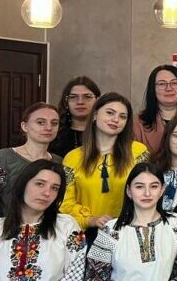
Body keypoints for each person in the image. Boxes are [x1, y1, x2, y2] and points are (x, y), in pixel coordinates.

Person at [60, 92, 149, 242]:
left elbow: (148, 193)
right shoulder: (73, 158)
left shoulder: (138, 152)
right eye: (110, 113)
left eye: (122, 116)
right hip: (86, 235)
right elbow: (65, 203)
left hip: (129, 233)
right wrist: (90, 219)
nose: (116, 119)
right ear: (95, 115)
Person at [0, 102, 63, 241]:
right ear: (24, 126)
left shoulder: (59, 162)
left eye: (54, 123)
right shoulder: (3, 158)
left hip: (46, 237)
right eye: (41, 122)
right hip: (5, 235)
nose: (48, 127)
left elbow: (59, 204)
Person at [132, 64, 177, 152]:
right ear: (152, 89)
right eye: (162, 84)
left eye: (174, 83)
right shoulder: (137, 124)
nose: (169, 88)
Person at [50, 76, 101, 158]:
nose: (80, 102)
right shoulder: (53, 133)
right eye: (73, 97)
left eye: (87, 97)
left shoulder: (106, 133)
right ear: (66, 101)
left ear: (97, 100)